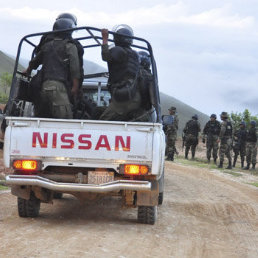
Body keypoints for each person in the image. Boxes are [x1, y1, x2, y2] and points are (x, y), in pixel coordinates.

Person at [25, 18, 80, 119]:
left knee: (43, 116)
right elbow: (75, 68)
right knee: (66, 119)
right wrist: (75, 87)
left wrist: (27, 71)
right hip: (58, 86)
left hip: (43, 86)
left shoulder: (46, 46)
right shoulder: (70, 46)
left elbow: (35, 62)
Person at [99, 25, 145, 121]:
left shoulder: (118, 50)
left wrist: (104, 40)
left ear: (117, 38)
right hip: (134, 96)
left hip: (122, 97)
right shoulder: (135, 55)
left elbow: (105, 56)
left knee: (103, 121)